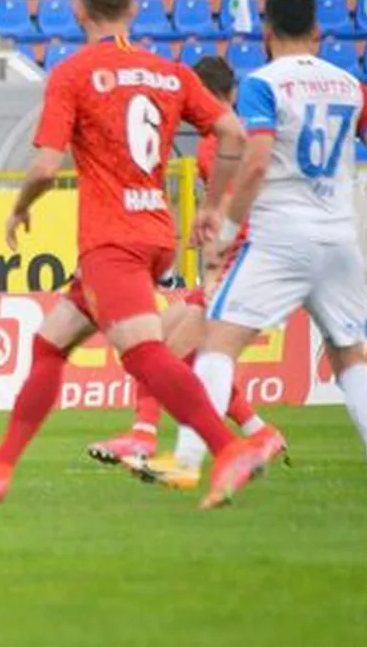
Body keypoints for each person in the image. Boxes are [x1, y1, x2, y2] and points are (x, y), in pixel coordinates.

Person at [0, 0, 282, 510]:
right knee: (49, 343)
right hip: (154, 232)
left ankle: (230, 449)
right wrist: (213, 206)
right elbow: (232, 133)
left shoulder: (74, 73)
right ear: (134, 7)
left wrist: (19, 209)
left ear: (79, 9)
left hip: (112, 239)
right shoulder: (170, 73)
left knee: (145, 354)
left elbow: (44, 168)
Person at [131, 0, 367, 488]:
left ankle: (187, 462)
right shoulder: (351, 86)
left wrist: (227, 229)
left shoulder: (263, 84)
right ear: (317, 31)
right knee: (350, 355)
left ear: (267, 32)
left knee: (216, 344)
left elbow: (255, 163)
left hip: (280, 239)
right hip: (339, 240)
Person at [84, 56, 268, 475]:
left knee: (160, 353)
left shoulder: (215, 145)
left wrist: (215, 260)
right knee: (163, 343)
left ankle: (148, 438)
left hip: (236, 263)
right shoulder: (252, 137)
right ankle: (259, 433)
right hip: (245, 258)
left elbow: (228, 208)